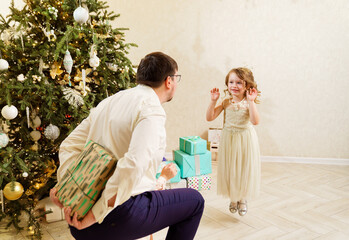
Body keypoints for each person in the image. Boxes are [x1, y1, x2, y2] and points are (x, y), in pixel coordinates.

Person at [50, 52, 205, 240]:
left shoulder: (110, 101)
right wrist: (94, 216)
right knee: (195, 201)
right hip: (112, 218)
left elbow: (68, 146)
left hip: (80, 215)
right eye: (176, 78)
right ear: (169, 81)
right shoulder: (151, 109)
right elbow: (133, 164)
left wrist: (66, 186)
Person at [206, 67, 260, 216]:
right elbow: (210, 117)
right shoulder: (226, 102)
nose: (234, 86)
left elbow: (255, 121)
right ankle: (233, 198)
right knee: (231, 170)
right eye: (231, 82)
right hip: (229, 138)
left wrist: (251, 102)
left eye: (239, 83)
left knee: (243, 170)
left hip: (245, 139)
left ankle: (242, 198)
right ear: (227, 84)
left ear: (247, 86)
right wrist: (213, 101)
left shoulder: (248, 102)